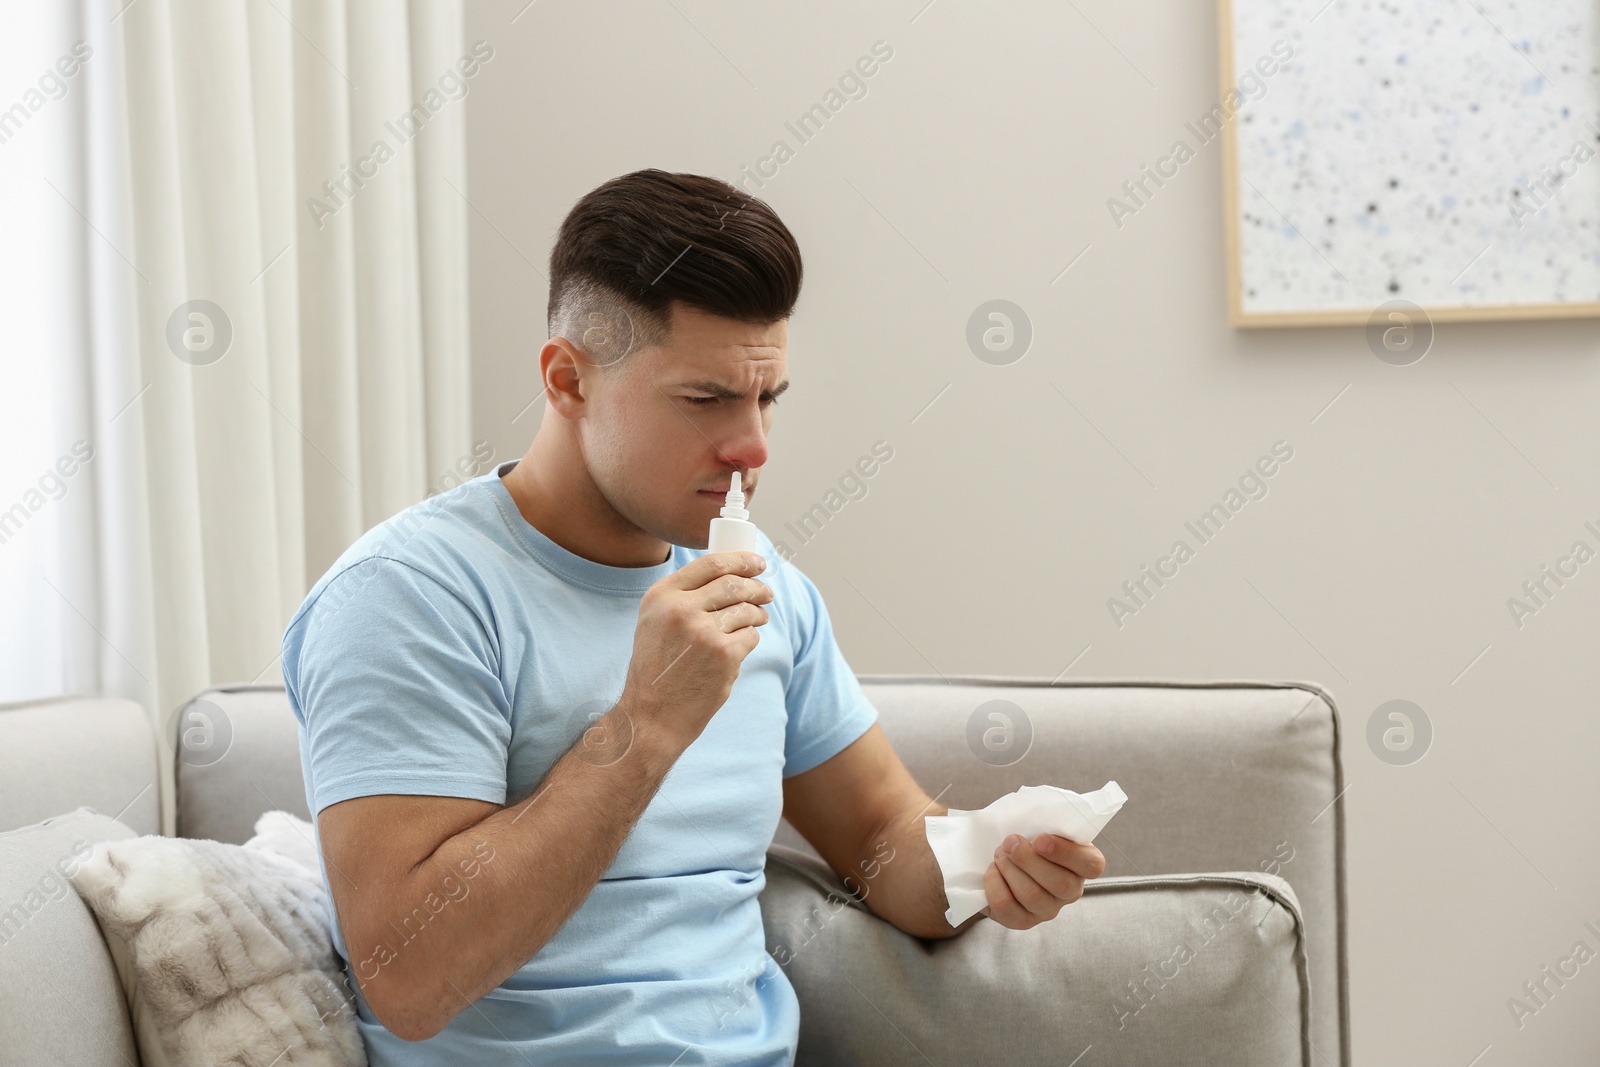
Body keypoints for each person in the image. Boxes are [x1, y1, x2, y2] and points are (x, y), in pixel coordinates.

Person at [280, 168, 1105, 1065]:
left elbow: (878, 833)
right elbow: (409, 978)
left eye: (767, 399)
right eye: (706, 399)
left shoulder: (767, 588)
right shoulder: (407, 598)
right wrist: (645, 725)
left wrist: (991, 861)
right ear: (568, 380)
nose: (752, 446)